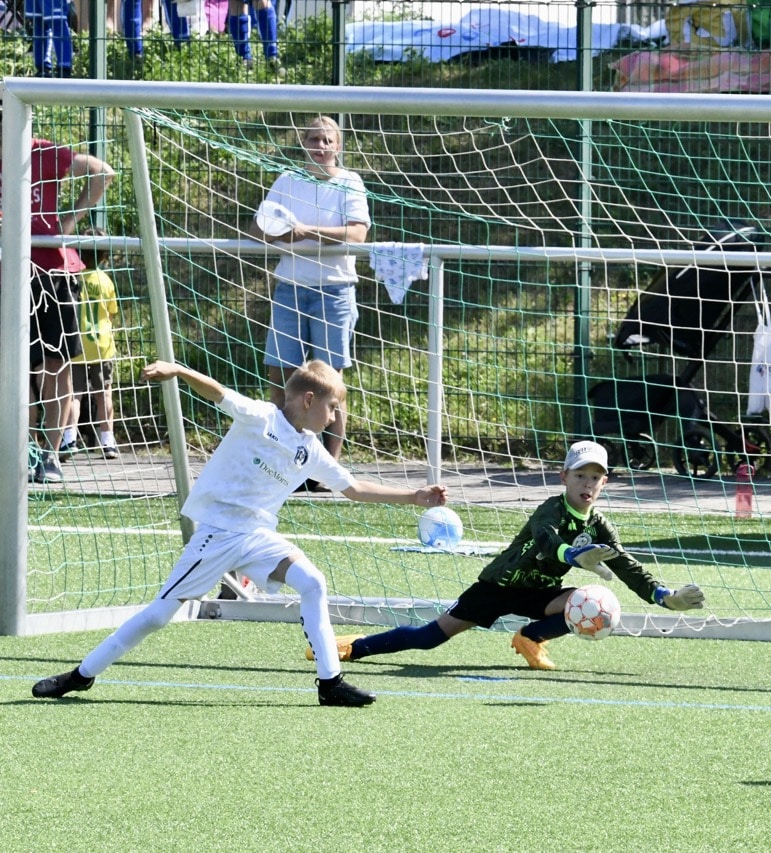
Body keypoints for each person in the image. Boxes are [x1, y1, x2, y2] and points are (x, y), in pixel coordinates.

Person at [32, 359, 449, 707]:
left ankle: (330, 683)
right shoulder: (261, 417)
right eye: (334, 407)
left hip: (257, 536)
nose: (336, 416)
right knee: (159, 615)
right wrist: (177, 370)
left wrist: (414, 496)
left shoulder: (311, 449)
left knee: (313, 582)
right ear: (308, 400)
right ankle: (81, 675)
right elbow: (217, 392)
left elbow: (354, 489)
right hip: (217, 533)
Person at [314, 440, 707, 671]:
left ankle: (530, 637)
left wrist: (664, 596)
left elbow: (627, 567)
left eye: (595, 477)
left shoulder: (601, 524)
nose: (587, 484)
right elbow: (544, 541)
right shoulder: (551, 510)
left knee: (594, 603)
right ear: (564, 478)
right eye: (580, 476)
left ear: (604, 482)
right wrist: (574, 556)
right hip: (499, 585)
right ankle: (352, 646)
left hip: (539, 592)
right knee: (429, 638)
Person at [249, 116, 369, 483]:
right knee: (282, 374)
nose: (320, 146)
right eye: (314, 139)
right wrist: (282, 235)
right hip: (290, 287)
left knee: (331, 382)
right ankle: (281, 460)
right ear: (304, 143)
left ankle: (326, 470)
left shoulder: (350, 182)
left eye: (327, 140)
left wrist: (309, 232)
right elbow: (257, 230)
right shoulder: (287, 181)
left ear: (338, 145)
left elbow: (358, 233)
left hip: (334, 290)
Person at [4, 133, 116, 483]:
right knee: (14, 367)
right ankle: (22, 452)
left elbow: (103, 172)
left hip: (53, 274)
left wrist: (67, 222)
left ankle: (51, 455)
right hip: (9, 272)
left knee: (57, 365)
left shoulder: (41, 150)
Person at [61, 228, 122, 461]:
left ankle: (69, 439)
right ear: (105, 255)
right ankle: (108, 441)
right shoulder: (105, 281)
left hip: (75, 345)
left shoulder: (72, 278)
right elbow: (111, 312)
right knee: (103, 393)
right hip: (102, 345)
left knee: (73, 394)